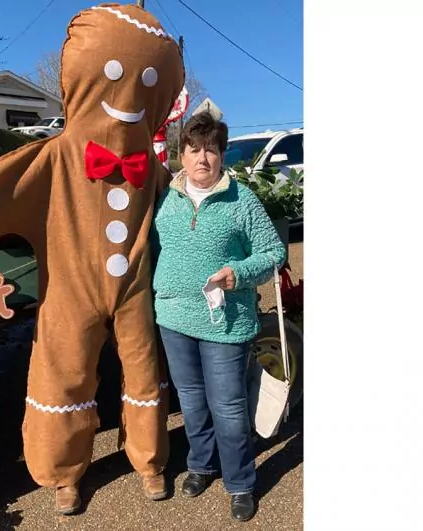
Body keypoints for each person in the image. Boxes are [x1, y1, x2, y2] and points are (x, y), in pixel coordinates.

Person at [0, 4, 184, 515]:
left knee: (144, 369)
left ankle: (149, 460)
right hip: (69, 289)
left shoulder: (153, 168)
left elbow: (186, 207)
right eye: (115, 74)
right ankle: (63, 473)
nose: (129, 96)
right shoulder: (56, 155)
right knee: (63, 371)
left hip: (135, 288)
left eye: (146, 82)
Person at [150, 112, 287, 521]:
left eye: (211, 150)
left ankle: (240, 481)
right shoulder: (167, 199)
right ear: (182, 154)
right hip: (174, 317)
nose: (202, 158)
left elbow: (274, 252)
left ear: (222, 155)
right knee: (191, 401)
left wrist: (239, 273)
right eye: (194, 149)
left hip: (224, 323)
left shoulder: (241, 201)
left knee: (228, 406)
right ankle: (202, 463)